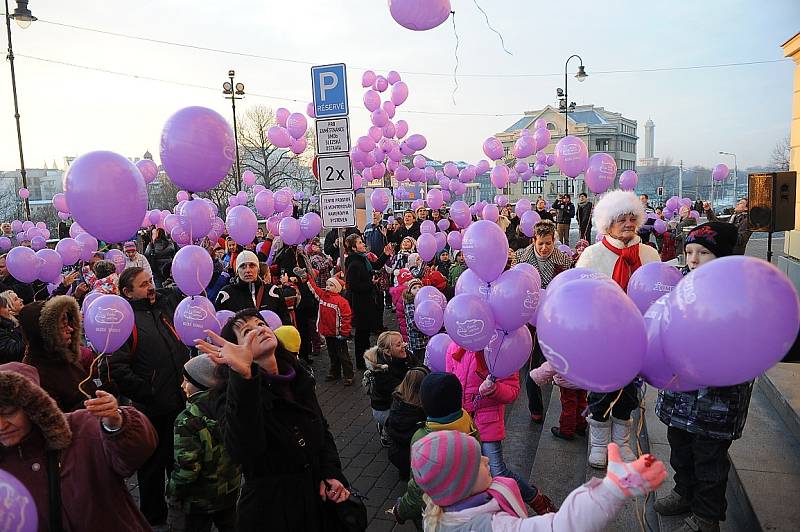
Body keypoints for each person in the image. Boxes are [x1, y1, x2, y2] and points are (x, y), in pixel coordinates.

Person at [195, 308, 351, 532]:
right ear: (234, 350)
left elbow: (321, 429)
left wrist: (331, 473)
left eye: (260, 324)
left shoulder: (298, 377)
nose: (258, 330)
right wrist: (244, 377)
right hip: (273, 512)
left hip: (317, 500)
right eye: (247, 331)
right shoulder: (230, 394)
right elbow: (245, 449)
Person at [654, 221, 751, 532]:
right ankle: (684, 491)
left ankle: (707, 516)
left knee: (709, 458)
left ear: (721, 257)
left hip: (717, 400)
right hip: (680, 394)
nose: (693, 259)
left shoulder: (737, 294)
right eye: (690, 251)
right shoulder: (678, 284)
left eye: (704, 252)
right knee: (679, 446)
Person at [0, 362, 158, 532]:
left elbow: (135, 454)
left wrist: (116, 423)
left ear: (32, 406)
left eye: (9, 412)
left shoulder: (80, 428)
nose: (1, 426)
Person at [409, 430, 666, 531]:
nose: (487, 461)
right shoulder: (488, 528)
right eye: (478, 462)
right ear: (460, 483)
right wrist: (612, 489)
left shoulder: (442, 510)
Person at [576, 189, 661, 469]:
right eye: (621, 218)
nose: (628, 223)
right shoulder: (592, 255)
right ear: (607, 223)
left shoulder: (649, 254)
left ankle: (622, 441)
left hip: (637, 337)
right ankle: (599, 443)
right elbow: (579, 296)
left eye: (631, 218)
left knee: (628, 393)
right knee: (602, 390)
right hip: (602, 338)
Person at [107, 266, 190, 527]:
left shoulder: (162, 310)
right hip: (152, 408)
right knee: (152, 466)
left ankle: (179, 506)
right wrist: (147, 392)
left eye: (150, 281)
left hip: (178, 400)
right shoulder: (124, 321)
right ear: (127, 292)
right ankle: (154, 516)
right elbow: (116, 367)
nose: (150, 287)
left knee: (178, 459)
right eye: (143, 284)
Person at [446, 342, 556, 514]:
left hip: (487, 423)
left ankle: (536, 498)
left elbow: (512, 391)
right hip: (461, 422)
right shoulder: (454, 347)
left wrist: (494, 389)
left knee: (498, 472)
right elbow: (449, 380)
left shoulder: (500, 350)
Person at [388, 372, 481, 525]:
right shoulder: (467, 421)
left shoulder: (423, 438)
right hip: (466, 503)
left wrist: (401, 510)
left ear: (424, 403)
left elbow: (419, 487)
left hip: (437, 514)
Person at [166, 355, 241, 532]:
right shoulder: (231, 408)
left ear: (202, 383)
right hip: (228, 492)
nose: (182, 386)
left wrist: (173, 492)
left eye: (186, 381)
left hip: (197, 501)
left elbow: (187, 469)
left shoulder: (188, 420)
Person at [511, 220, 574, 423]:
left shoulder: (563, 260)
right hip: (527, 319)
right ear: (534, 241)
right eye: (541, 244)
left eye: (549, 243)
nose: (545, 248)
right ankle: (535, 408)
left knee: (551, 361)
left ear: (554, 240)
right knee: (532, 363)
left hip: (552, 318)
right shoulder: (520, 257)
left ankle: (569, 413)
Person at [19, 295, 96, 413]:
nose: (70, 329)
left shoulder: (63, 356)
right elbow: (56, 420)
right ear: (46, 334)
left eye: (69, 323)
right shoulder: (37, 376)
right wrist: (92, 403)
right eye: (63, 326)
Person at [295, 267, 354, 385]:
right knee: (332, 354)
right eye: (327, 284)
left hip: (338, 334)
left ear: (337, 288)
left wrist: (344, 332)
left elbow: (346, 318)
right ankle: (335, 372)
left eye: (331, 285)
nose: (328, 287)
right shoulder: (323, 296)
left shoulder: (342, 302)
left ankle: (348, 375)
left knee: (343, 355)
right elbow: (314, 288)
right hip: (327, 332)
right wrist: (308, 278)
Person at [344, 233, 393, 371]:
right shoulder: (355, 263)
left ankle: (366, 360)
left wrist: (385, 254)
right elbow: (353, 286)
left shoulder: (363, 259)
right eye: (359, 243)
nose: (363, 244)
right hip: (360, 303)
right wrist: (371, 284)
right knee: (361, 335)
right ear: (353, 248)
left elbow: (375, 265)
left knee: (365, 334)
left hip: (367, 301)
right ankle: (361, 362)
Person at [363, 331, 417, 447]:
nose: (403, 345)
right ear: (388, 351)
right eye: (398, 345)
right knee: (407, 420)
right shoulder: (381, 372)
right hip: (386, 407)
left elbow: (420, 368)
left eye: (402, 342)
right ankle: (386, 427)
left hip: (398, 398)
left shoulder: (405, 354)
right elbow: (401, 392)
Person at [214, 251, 290, 324]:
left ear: (258, 269)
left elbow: (286, 322)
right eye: (242, 266)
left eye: (252, 265)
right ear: (237, 271)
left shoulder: (273, 291)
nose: (247, 270)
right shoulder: (226, 294)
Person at [385, 366, 430, 480]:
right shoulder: (421, 410)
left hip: (395, 453)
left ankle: (404, 474)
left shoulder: (396, 401)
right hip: (415, 457)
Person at [530, 360, 587, 440]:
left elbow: (552, 365)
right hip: (583, 380)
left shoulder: (564, 350)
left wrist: (537, 375)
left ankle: (566, 430)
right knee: (582, 403)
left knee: (569, 406)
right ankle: (580, 426)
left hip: (568, 382)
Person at [403, 278, 429, 361]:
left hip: (425, 338)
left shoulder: (424, 301)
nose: (418, 289)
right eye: (414, 288)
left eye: (419, 287)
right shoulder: (410, 304)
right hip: (416, 340)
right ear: (409, 291)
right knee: (418, 359)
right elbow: (412, 322)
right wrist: (424, 329)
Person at [0, 290, 24, 363]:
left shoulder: (9, 325)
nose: (21, 300)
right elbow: (14, 353)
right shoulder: (5, 328)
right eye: (6, 307)